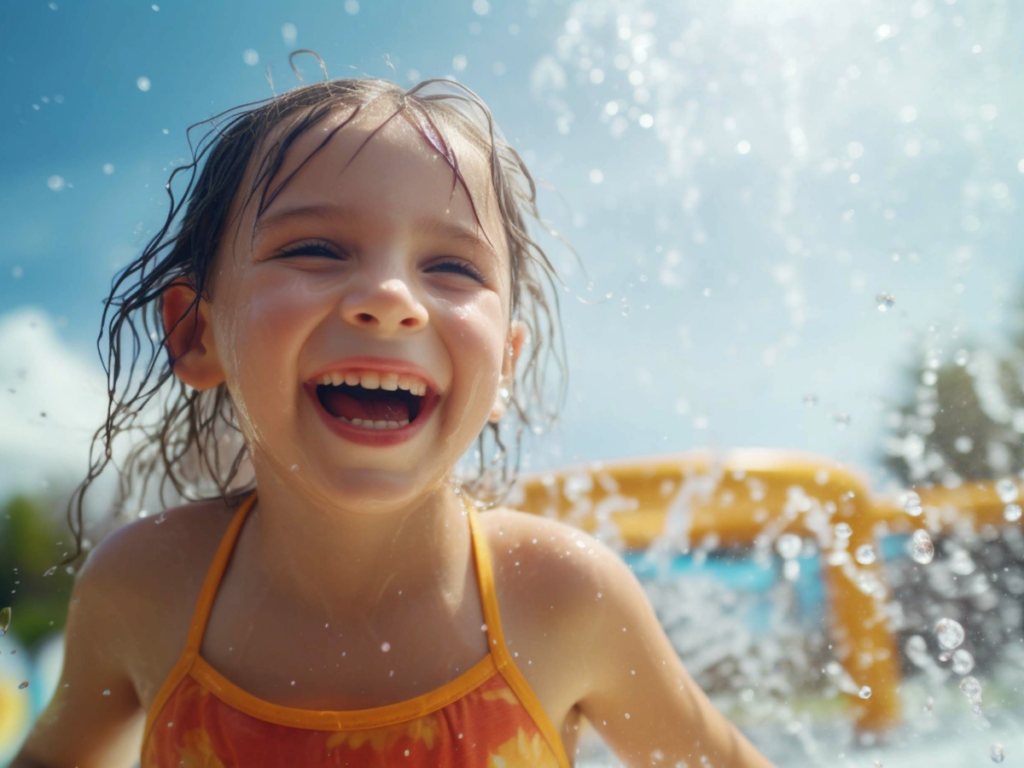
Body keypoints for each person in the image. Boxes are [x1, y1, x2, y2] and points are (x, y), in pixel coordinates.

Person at [13, 67, 775, 768]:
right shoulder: (146, 587)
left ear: (504, 365)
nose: (389, 297)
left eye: (452, 267)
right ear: (195, 332)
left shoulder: (561, 596)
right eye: (314, 249)